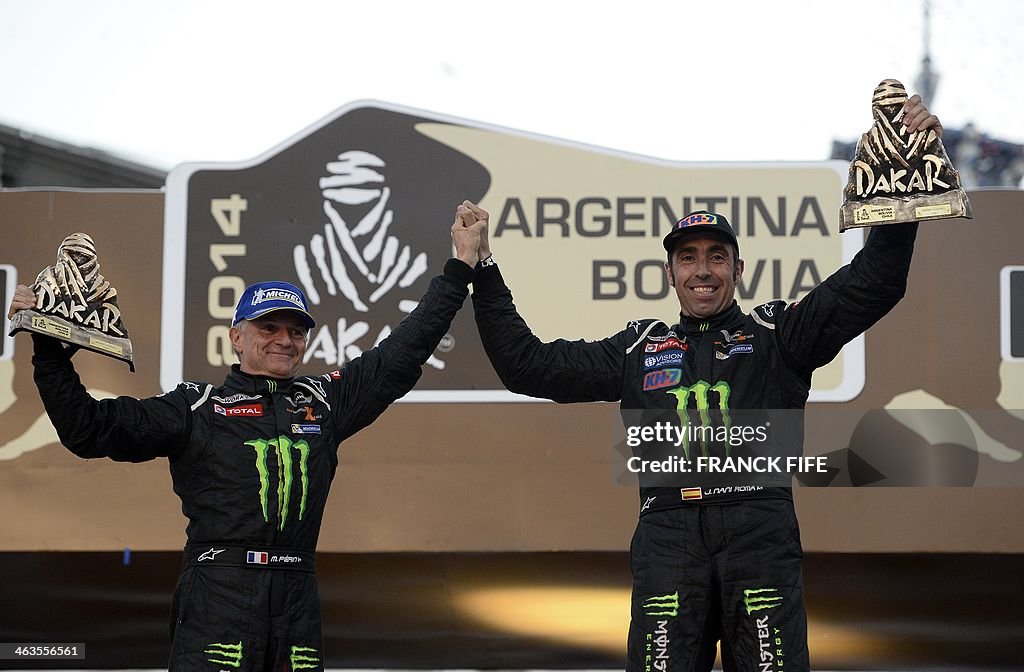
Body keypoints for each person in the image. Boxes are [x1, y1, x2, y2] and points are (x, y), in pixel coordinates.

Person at [465, 94, 942, 671]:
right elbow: (527, 366)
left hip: (759, 532)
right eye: (688, 258)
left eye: (717, 257)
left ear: (738, 270)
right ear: (670, 273)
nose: (703, 270)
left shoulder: (778, 335)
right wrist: (483, 270)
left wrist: (903, 204)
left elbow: (874, 283)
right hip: (669, 536)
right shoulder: (639, 350)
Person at [6, 216, 486, 671]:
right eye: (268, 328)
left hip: (298, 595)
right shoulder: (197, 406)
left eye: (296, 331)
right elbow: (89, 429)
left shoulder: (325, 399)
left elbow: (402, 352)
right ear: (237, 337)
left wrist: (459, 268)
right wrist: (47, 345)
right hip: (218, 593)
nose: (285, 340)